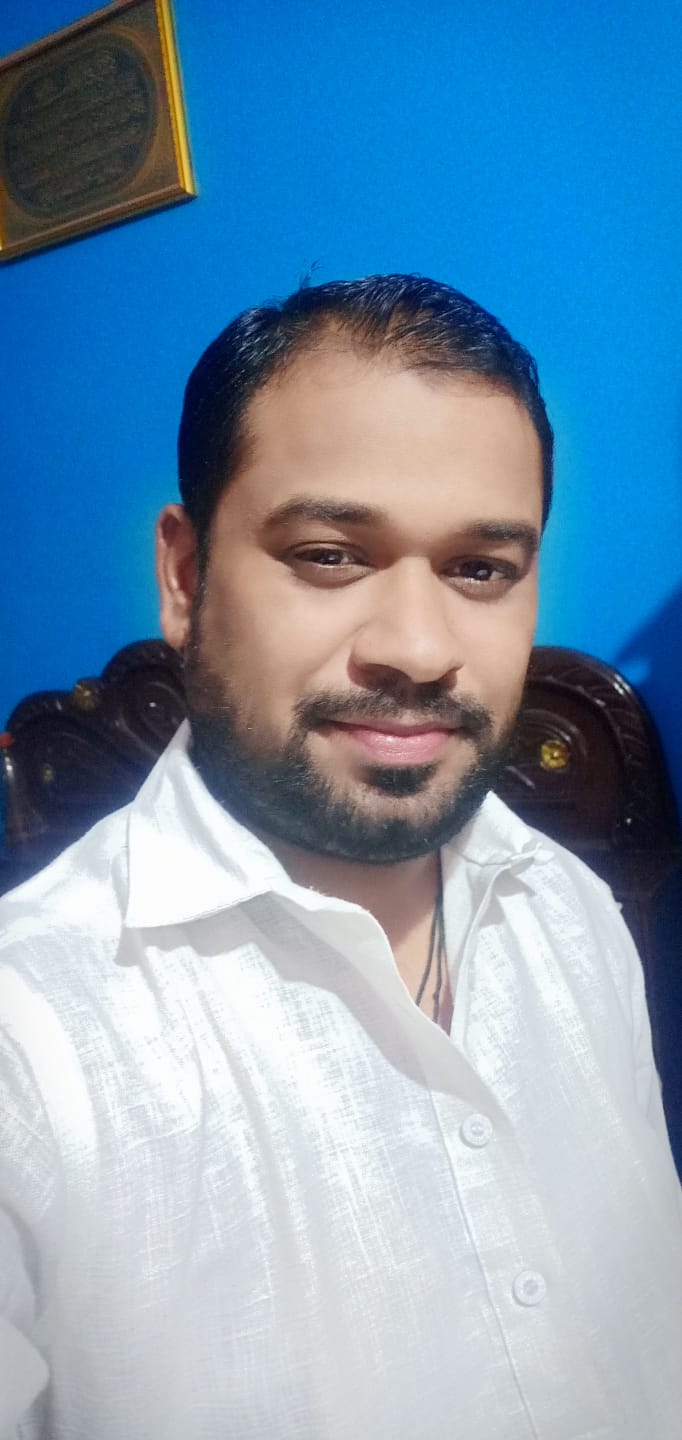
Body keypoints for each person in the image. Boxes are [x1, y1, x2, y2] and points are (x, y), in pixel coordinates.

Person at [1, 273, 680, 1440]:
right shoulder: (31, 1045)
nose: (417, 648)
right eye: (327, 554)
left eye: (479, 569)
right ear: (185, 578)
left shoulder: (574, 908)